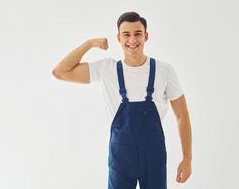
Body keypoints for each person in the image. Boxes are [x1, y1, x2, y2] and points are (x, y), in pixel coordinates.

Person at [52, 11, 192, 189]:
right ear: (118, 38)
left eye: (137, 34)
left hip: (153, 156)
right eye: (126, 34)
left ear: (146, 36)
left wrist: (187, 158)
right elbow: (60, 72)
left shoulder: (165, 71)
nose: (132, 40)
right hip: (121, 158)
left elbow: (182, 115)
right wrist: (89, 44)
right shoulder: (106, 69)